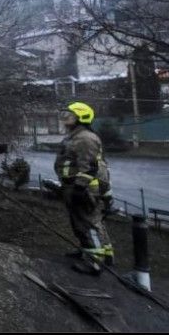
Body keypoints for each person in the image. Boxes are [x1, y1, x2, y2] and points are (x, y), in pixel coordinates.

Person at [54, 101, 114, 274]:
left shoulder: (85, 138)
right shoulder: (75, 136)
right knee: (83, 222)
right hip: (75, 186)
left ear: (81, 118)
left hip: (84, 188)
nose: (64, 119)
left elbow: (88, 166)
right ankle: (101, 254)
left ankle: (95, 262)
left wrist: (80, 188)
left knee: (88, 224)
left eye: (69, 116)